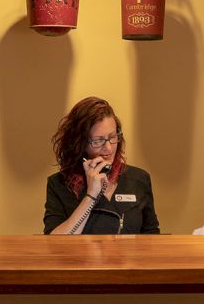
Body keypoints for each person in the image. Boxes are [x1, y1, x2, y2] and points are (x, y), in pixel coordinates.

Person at [43, 96, 161, 235]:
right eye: (98, 141)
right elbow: (54, 244)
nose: (109, 149)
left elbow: (152, 237)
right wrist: (91, 196)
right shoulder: (58, 184)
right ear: (79, 144)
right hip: (81, 257)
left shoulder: (139, 179)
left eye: (112, 137)